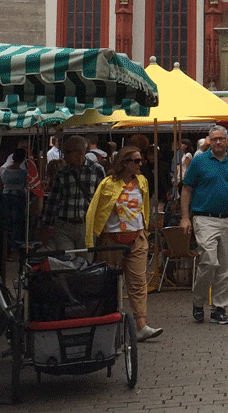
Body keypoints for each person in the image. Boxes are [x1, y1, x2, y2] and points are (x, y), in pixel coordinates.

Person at [86, 146, 162, 341]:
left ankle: (141, 325)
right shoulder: (107, 184)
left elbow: (144, 206)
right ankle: (108, 323)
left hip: (137, 238)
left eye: (140, 160)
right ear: (124, 163)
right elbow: (95, 210)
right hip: (111, 240)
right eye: (136, 161)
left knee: (138, 283)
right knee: (109, 283)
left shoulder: (142, 181)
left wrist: (145, 229)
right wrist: (91, 238)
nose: (140, 164)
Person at [181, 125, 228, 325]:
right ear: (209, 141)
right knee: (209, 262)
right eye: (215, 139)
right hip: (204, 218)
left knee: (226, 268)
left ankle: (219, 309)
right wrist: (185, 217)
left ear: (227, 141)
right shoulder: (199, 162)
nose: (219, 142)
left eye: (222, 138)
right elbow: (186, 190)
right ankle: (198, 301)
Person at [39, 134, 104, 250]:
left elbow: (102, 201)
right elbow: (53, 201)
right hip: (64, 226)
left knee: (85, 264)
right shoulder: (62, 172)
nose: (64, 155)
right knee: (66, 263)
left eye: (68, 152)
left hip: (87, 226)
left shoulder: (96, 170)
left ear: (80, 152)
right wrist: (44, 227)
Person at [0, 147, 30, 251]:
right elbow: (27, 186)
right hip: (18, 197)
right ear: (23, 158)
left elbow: (1, 185)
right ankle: (14, 247)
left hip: (5, 196)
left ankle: (4, 246)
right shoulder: (24, 173)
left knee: (6, 222)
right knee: (17, 223)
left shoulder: (4, 172)